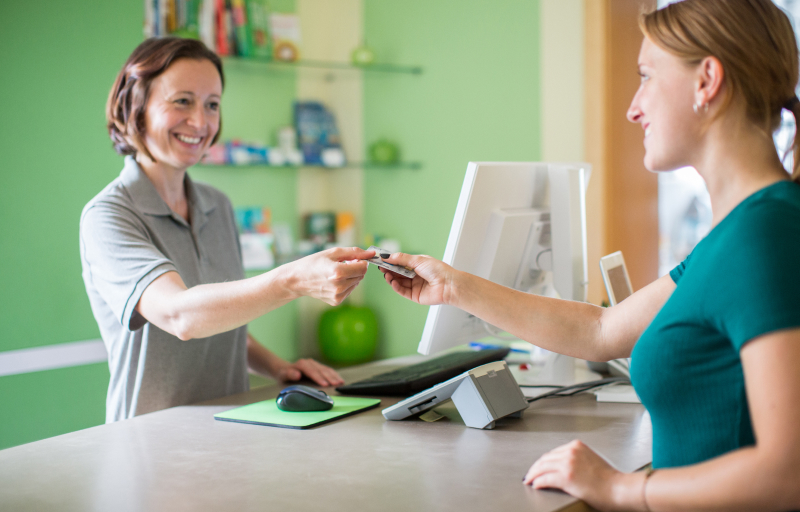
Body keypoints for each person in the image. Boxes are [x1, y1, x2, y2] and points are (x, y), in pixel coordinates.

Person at [379, 1, 800, 510]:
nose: (633, 106)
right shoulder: (737, 234)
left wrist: (622, 489)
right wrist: (454, 287)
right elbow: (601, 331)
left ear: (707, 80)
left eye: (647, 76)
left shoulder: (766, 234)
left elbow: (786, 473)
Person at [80, 37, 373, 423]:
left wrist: (278, 368)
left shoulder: (217, 205)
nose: (201, 122)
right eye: (182, 100)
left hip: (231, 427)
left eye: (212, 104)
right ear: (136, 107)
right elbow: (180, 316)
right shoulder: (109, 215)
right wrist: (293, 279)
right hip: (149, 441)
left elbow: (221, 322)